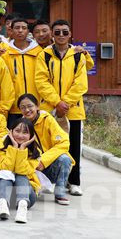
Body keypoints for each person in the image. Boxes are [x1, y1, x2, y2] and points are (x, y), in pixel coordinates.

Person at [35, 19, 87, 197]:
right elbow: (41, 81)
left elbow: (81, 83)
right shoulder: (45, 55)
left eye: (65, 32)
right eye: (57, 32)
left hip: (73, 109)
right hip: (50, 108)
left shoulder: (78, 56)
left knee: (74, 147)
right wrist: (57, 102)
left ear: (70, 34)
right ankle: (50, 181)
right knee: (48, 146)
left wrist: (66, 103)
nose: (61, 35)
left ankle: (74, 182)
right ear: (52, 34)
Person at [17, 94, 73, 205]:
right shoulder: (20, 125)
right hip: (32, 167)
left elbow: (63, 142)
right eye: (23, 107)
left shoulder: (47, 119)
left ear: (37, 106)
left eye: (30, 106)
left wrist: (43, 160)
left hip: (49, 165)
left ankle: (60, 193)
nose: (27, 110)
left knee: (65, 159)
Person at [0, 117, 43, 223]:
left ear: (31, 136)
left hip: (27, 195)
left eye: (25, 132)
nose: (20, 135)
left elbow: (23, 171)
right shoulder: (1, 147)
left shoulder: (35, 153)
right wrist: (14, 147)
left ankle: (22, 208)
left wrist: (22, 149)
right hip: (4, 192)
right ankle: (3, 205)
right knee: (6, 174)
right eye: (17, 131)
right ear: (11, 132)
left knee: (21, 176)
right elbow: (5, 168)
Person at [2, 18, 43, 126]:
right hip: (14, 107)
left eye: (23, 28)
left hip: (36, 106)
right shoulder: (5, 55)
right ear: (11, 31)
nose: (20, 31)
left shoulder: (39, 53)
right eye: (17, 28)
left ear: (28, 31)